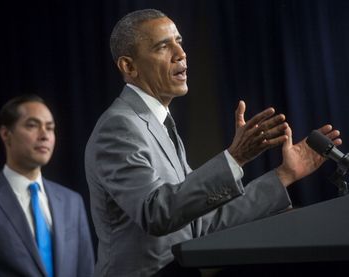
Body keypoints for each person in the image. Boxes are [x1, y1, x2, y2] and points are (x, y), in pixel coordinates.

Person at [84, 9, 342, 277]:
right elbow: (156, 213)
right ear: (129, 66)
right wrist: (235, 158)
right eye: (163, 46)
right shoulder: (119, 126)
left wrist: (283, 175)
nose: (180, 53)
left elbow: (200, 224)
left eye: (179, 42)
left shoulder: (158, 124)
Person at [0, 95, 94, 277]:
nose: (44, 135)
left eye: (50, 128)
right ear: (6, 134)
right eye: (32, 125)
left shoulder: (72, 202)